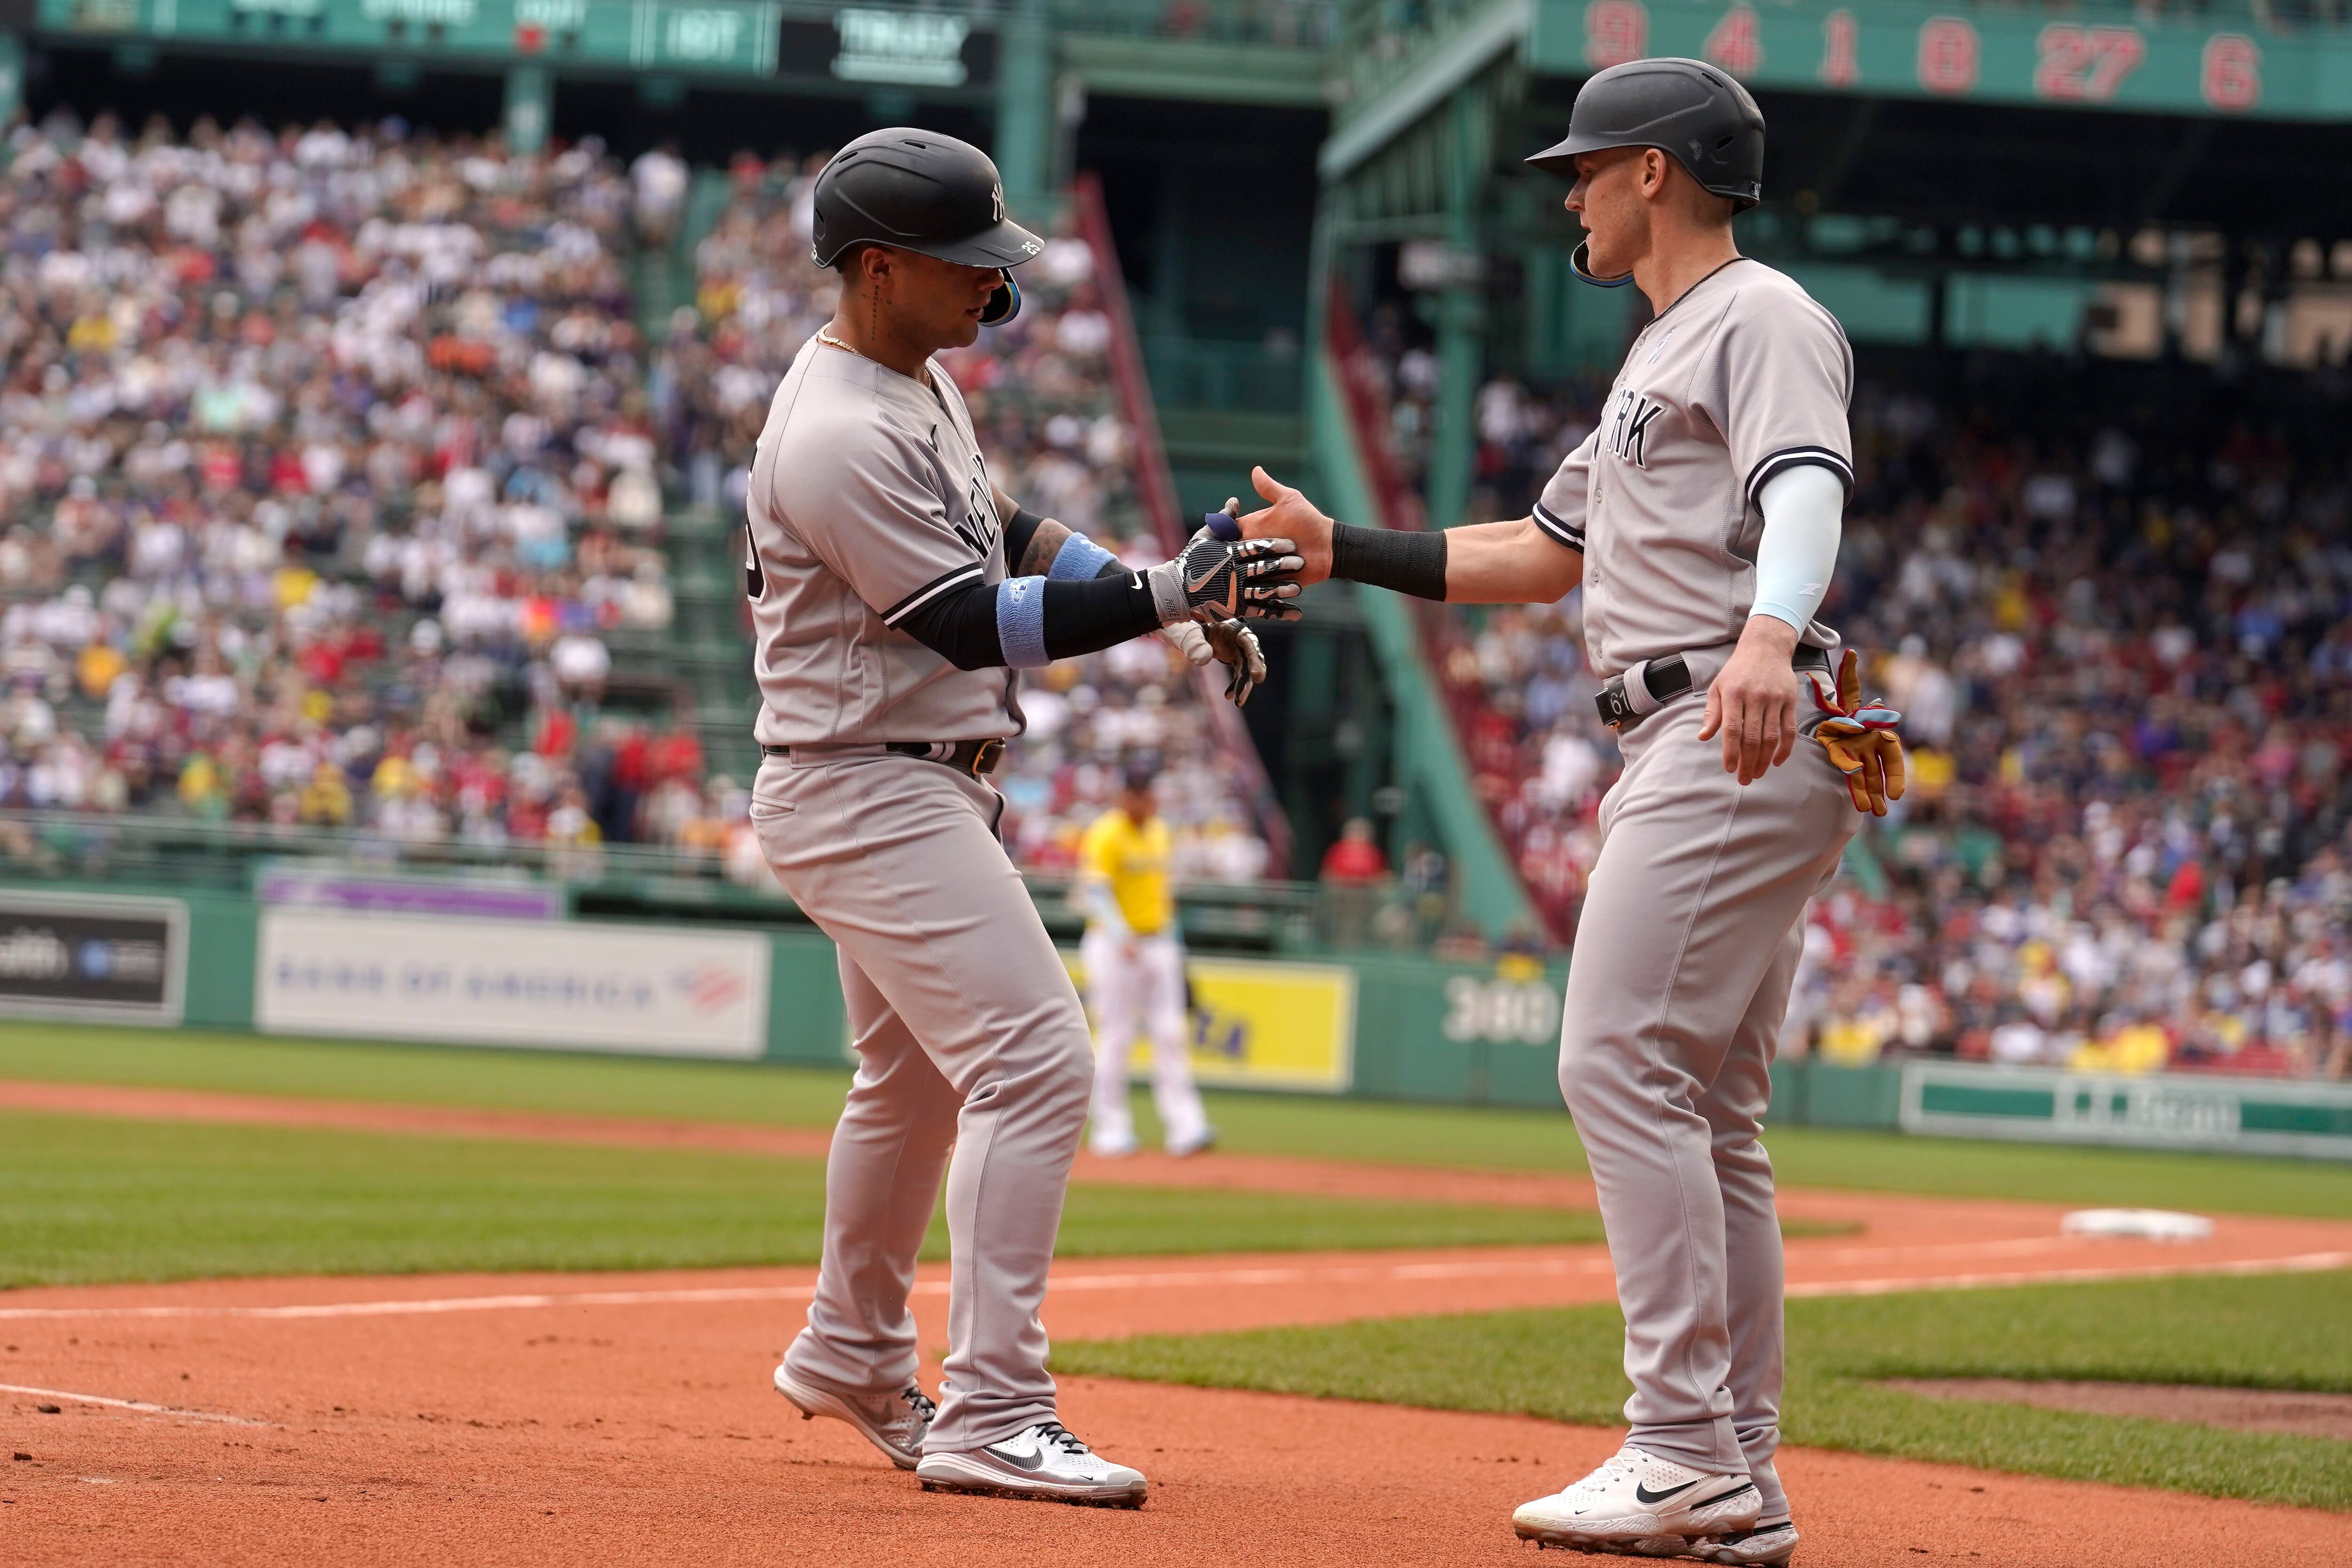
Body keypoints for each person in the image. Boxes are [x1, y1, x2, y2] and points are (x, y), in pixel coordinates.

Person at [1237, 61, 1902, 1566]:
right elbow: (1534, 560)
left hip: (1725, 713)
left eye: (1586, 167)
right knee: (1707, 1110)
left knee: (1614, 1059)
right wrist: (1342, 545)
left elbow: (1806, 491)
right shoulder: (1658, 352)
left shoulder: (1760, 314)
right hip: (1704, 717)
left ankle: (1678, 1451)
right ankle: (1734, 1471)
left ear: (1654, 171)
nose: (1569, 193)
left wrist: (1759, 635)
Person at [745, 129, 1300, 1508]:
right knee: (1041, 1062)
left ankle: (855, 1347)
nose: (997, 290)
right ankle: (994, 1409)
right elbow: (969, 619)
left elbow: (1005, 527)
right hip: (865, 774)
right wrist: (1172, 590)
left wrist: (1161, 601)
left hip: (903, 772)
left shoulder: (906, 379)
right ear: (879, 269)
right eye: (969, 265)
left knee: (916, 1082)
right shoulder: (832, 432)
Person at [1079, 761, 1215, 1159]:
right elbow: (1096, 891)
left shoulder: (1159, 831)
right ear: (1124, 796)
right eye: (1136, 792)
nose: (1143, 799)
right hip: (1115, 945)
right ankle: (1111, 1129)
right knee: (1116, 1035)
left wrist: (1176, 946)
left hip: (1159, 941)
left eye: (1148, 791)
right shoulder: (1106, 832)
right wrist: (1122, 935)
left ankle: (1186, 1126)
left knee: (1171, 1033)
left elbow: (1163, 895)